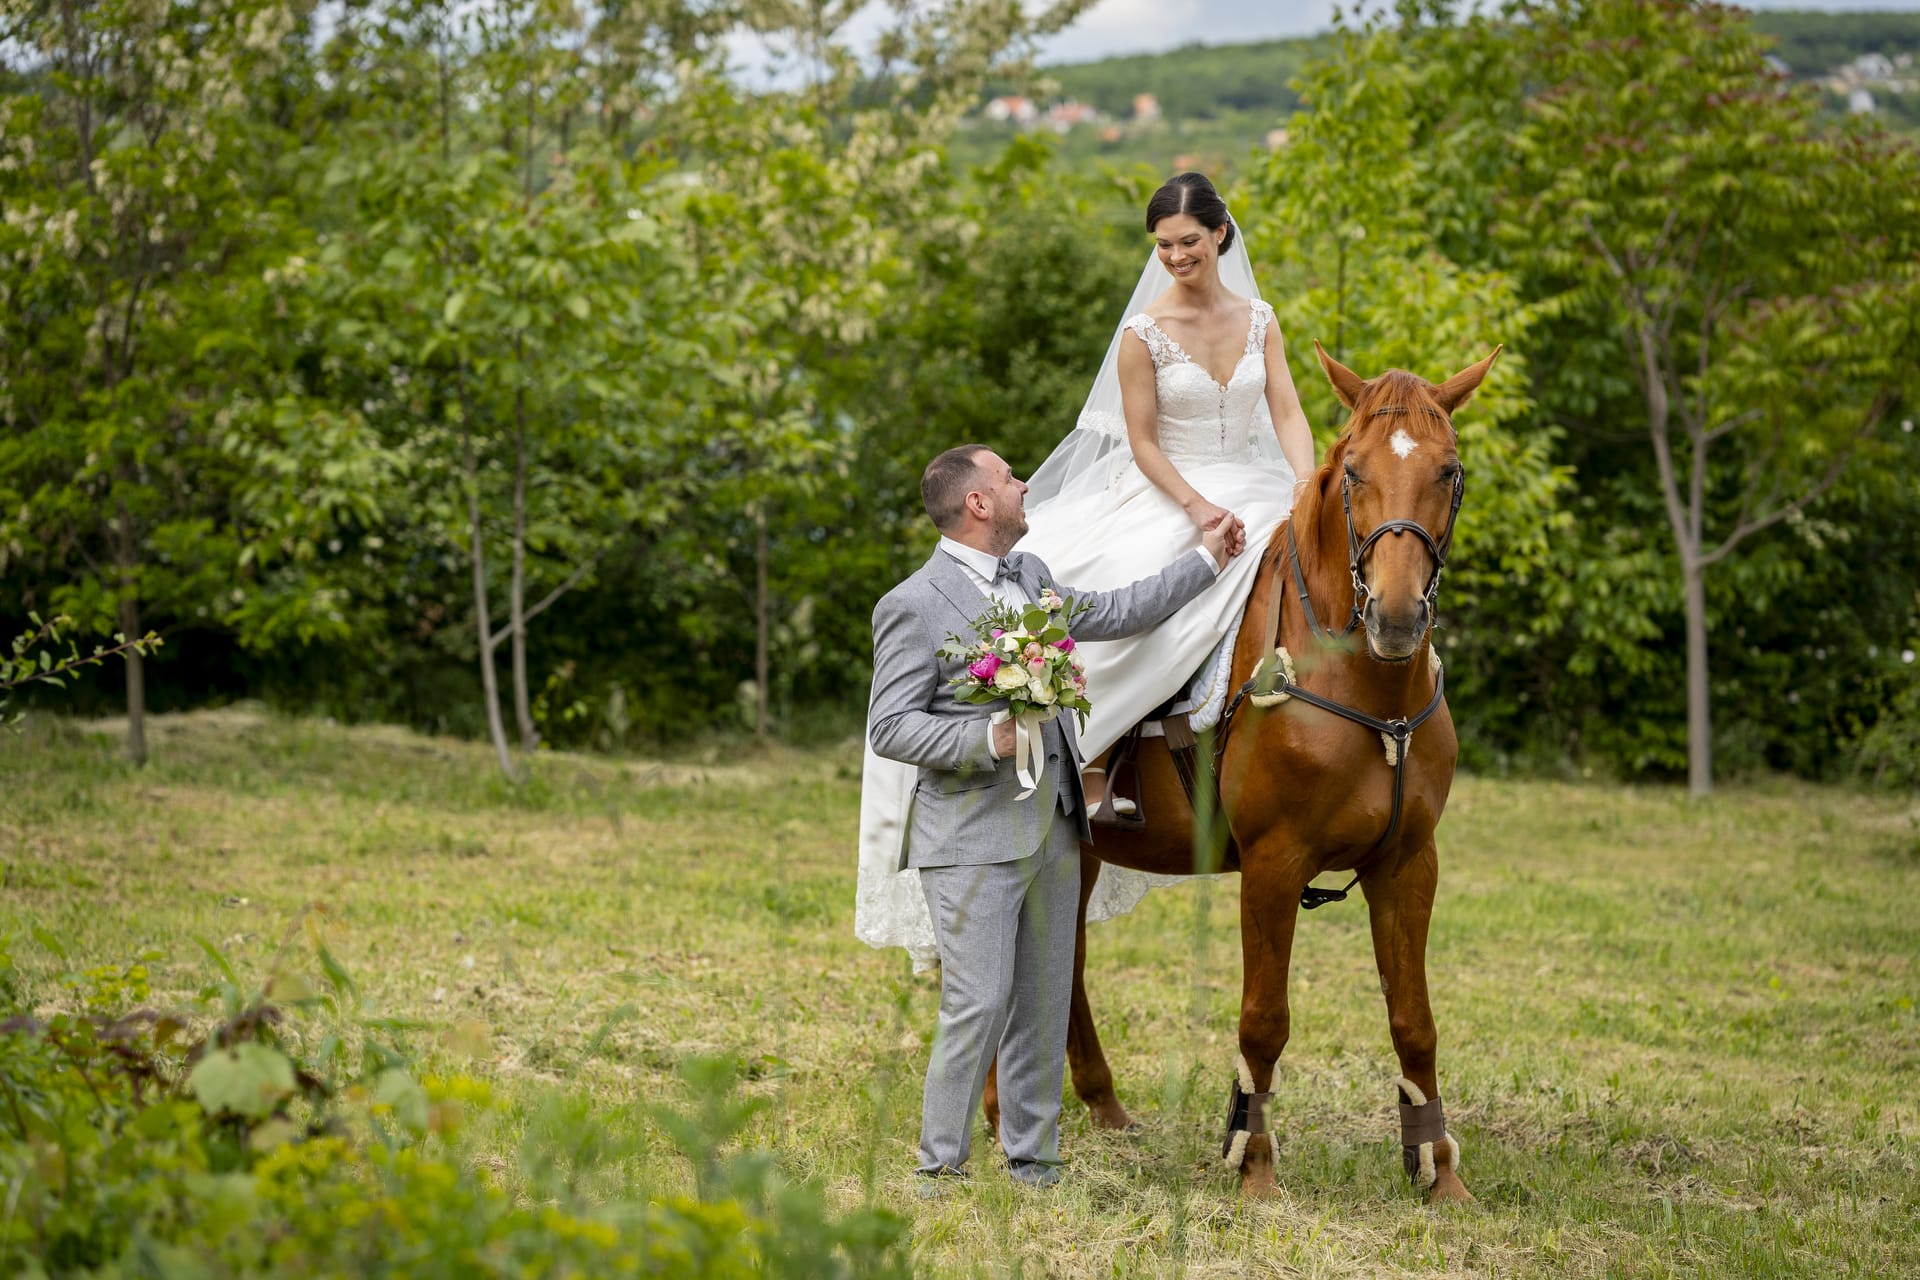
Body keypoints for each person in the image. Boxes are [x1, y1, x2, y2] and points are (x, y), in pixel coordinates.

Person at [854, 173, 1317, 971]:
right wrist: (1199, 508)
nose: (1175, 256)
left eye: (1189, 243)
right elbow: (1141, 442)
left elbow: (1286, 412)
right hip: (1169, 489)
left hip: (1263, 481)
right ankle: (1098, 755)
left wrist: (1304, 487)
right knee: (1108, 591)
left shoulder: (1261, 321)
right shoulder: (1144, 331)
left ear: (1222, 237)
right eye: (1163, 245)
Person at [868, 444, 1238, 1191]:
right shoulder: (912, 604)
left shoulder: (1030, 578)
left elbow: (1116, 611)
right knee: (979, 1002)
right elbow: (891, 726)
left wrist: (1207, 560)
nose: (1022, 483)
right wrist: (987, 738)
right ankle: (938, 1167)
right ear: (976, 502)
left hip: (1057, 825)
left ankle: (1034, 1162)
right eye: (1007, 477)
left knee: (1042, 1001)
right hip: (968, 836)